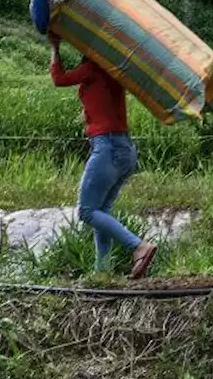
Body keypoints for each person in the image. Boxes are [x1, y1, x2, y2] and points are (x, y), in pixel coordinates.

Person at [49, 33, 158, 278]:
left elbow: (58, 78)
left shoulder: (91, 68)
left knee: (87, 212)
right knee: (102, 212)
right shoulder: (114, 70)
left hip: (107, 147)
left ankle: (138, 246)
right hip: (126, 150)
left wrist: (55, 47)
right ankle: (102, 272)